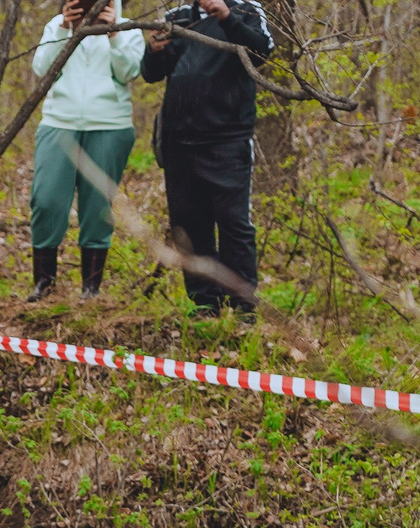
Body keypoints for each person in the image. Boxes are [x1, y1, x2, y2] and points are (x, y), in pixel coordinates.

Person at [142, 0, 274, 315]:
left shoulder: (247, 10)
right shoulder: (177, 16)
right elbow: (151, 74)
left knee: (234, 222)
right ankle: (205, 302)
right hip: (179, 141)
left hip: (227, 139)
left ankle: (242, 305)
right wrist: (154, 51)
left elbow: (261, 52)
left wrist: (226, 16)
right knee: (188, 225)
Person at [29, 0, 147, 301]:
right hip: (59, 122)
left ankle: (91, 289)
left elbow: (129, 72)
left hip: (110, 125)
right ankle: (44, 282)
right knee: (46, 201)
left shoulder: (129, 29)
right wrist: (64, 29)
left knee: (97, 207)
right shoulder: (56, 26)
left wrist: (114, 34)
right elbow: (42, 69)